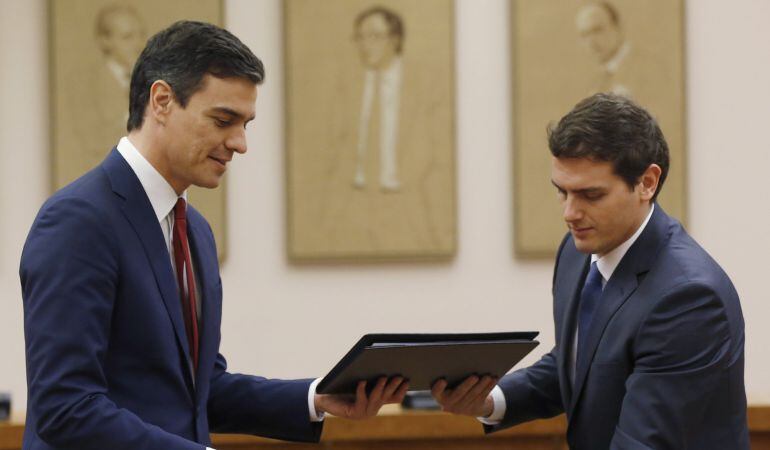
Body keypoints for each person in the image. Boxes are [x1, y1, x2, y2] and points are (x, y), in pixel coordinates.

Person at [20, 20, 407, 450]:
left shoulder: (195, 231)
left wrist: (318, 398)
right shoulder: (78, 221)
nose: (240, 143)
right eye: (224, 120)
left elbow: (198, 394)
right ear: (162, 101)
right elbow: (64, 407)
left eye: (246, 124)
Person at [432, 93, 749, 448]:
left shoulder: (689, 298)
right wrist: (491, 400)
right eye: (562, 192)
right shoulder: (576, 253)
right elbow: (579, 366)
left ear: (647, 183)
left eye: (590, 195)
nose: (570, 212)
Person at [352, 6, 404, 191]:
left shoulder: (416, 87)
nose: (365, 45)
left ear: (395, 39)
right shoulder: (351, 87)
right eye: (361, 37)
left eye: (374, 36)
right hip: (355, 196)